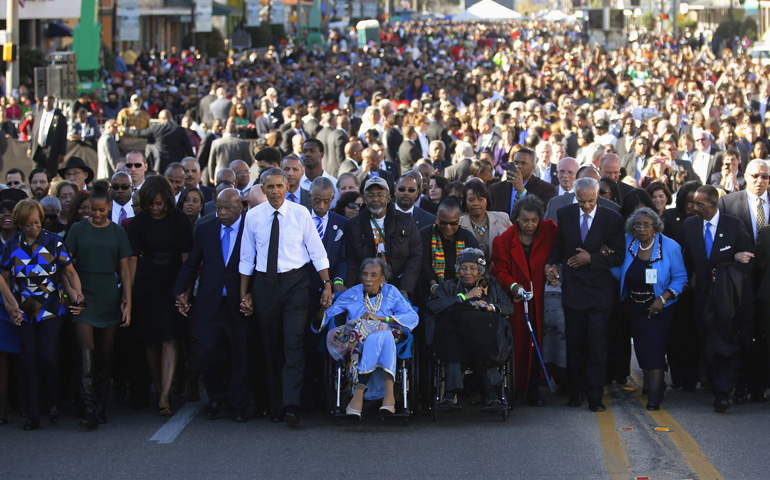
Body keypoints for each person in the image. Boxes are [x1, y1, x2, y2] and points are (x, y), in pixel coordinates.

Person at [238, 168, 333, 427]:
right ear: (263, 188)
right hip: (264, 285)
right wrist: (244, 293)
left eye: (280, 186)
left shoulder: (300, 214)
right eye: (270, 187)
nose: (276, 191)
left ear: (288, 188)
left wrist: (327, 284)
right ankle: (275, 403)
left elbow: (317, 251)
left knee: (293, 342)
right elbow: (246, 258)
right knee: (270, 346)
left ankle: (292, 405)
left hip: (296, 284)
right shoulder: (253, 217)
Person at [2, 199, 83, 430]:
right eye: (28, 224)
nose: (34, 228)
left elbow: (69, 272)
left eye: (37, 222)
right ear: (20, 224)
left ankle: (54, 401)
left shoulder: (54, 242)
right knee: (28, 360)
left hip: (51, 309)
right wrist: (10, 305)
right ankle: (34, 414)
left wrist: (77, 295)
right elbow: (5, 279)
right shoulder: (10, 246)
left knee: (48, 357)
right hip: (23, 311)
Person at [545, 177, 624, 412]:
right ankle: (575, 391)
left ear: (598, 196)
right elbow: (559, 247)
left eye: (590, 201)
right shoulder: (566, 214)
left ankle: (595, 396)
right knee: (575, 343)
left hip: (600, 291)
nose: (586, 206)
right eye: (581, 202)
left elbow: (618, 255)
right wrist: (550, 265)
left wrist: (592, 258)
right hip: (574, 289)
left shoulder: (612, 218)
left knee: (597, 345)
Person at [174, 189, 251, 423]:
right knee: (208, 352)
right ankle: (216, 397)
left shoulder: (251, 230)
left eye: (228, 208)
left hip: (238, 304)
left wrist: (252, 295)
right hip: (210, 302)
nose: (222, 213)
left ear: (241, 207)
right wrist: (180, 289)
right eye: (218, 208)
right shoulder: (206, 229)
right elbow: (192, 263)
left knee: (239, 354)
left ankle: (238, 404)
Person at [65, 184, 133, 428]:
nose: (96, 214)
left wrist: (128, 302)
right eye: (92, 210)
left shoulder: (117, 232)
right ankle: (89, 406)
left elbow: (125, 271)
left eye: (102, 210)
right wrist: (72, 292)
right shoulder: (77, 229)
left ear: (110, 207)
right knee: (86, 353)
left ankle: (102, 403)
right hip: (84, 296)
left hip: (108, 296)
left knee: (105, 356)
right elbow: (65, 264)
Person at [127, 176, 193, 417]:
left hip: (173, 282)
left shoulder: (180, 221)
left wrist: (184, 289)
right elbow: (133, 259)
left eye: (160, 203)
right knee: (151, 341)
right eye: (151, 204)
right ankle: (159, 388)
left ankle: (164, 395)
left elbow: (187, 258)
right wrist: (131, 291)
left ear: (167, 200)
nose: (155, 208)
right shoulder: (138, 223)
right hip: (147, 283)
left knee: (171, 339)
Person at [682, 185, 752, 412]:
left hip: (728, 297)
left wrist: (729, 263)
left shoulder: (734, 225)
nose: (694, 208)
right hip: (701, 296)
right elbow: (687, 260)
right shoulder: (690, 226)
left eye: (699, 204)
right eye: (693, 203)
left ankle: (724, 392)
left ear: (713, 205)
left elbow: (747, 258)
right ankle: (714, 384)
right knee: (707, 339)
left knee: (726, 341)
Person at [322, 257, 418, 417]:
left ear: (382, 279)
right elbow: (328, 314)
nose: (368, 279)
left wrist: (382, 319)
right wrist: (322, 310)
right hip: (357, 339)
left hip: (388, 334)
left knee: (383, 333)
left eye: (373, 275)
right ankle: (389, 397)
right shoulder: (352, 293)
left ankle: (357, 396)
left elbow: (411, 316)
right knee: (380, 335)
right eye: (365, 274)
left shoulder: (391, 292)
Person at [612, 208, 687, 410]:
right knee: (642, 348)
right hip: (634, 306)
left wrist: (662, 299)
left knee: (654, 348)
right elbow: (616, 267)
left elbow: (680, 278)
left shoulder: (670, 247)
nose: (642, 229)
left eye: (647, 225)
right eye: (638, 225)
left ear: (655, 226)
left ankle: (655, 395)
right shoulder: (628, 242)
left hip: (660, 307)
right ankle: (652, 384)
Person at [491, 195, 557, 406]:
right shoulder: (502, 241)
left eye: (534, 220)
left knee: (542, 341)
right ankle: (518, 387)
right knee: (520, 344)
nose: (530, 225)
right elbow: (499, 270)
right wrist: (513, 286)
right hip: (518, 300)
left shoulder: (550, 231)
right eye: (525, 220)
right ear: (516, 219)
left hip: (544, 298)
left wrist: (554, 269)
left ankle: (536, 388)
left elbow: (559, 253)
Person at [427, 248, 513, 407]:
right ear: (458, 269)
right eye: (463, 268)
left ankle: (492, 394)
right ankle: (449, 395)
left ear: (480, 271)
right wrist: (464, 297)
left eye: (473, 268)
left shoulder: (491, 285)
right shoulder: (448, 286)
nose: (468, 272)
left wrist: (490, 307)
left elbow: (508, 307)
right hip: (457, 340)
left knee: (484, 345)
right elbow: (434, 306)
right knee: (451, 345)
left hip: (483, 341)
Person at [344, 177, 422, 298]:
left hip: (398, 286)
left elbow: (415, 257)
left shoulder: (405, 221)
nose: (375, 199)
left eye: (380, 195)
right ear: (364, 199)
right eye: (371, 195)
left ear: (388, 198)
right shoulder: (354, 225)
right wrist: (349, 289)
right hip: (366, 287)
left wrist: (405, 288)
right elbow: (351, 259)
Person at [489, 148, 557, 218]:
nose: (519, 166)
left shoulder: (546, 189)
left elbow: (541, 214)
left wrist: (521, 191)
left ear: (533, 167)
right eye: (516, 163)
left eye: (523, 163)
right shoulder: (496, 189)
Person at [123, 109, 194, 173]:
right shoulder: (180, 130)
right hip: (176, 163)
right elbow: (188, 148)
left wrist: (124, 130)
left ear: (161, 119)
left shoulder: (156, 129)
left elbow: (140, 133)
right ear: (170, 117)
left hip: (160, 164)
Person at [460, 178, 511, 259]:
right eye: (471, 200)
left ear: (487, 201)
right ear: (465, 202)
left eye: (480, 199)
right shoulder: (459, 223)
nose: (475, 203)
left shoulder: (503, 219)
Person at [28, 95, 68, 177]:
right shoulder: (39, 114)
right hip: (38, 148)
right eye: (45, 101)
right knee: (36, 172)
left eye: (49, 101)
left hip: (52, 150)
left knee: (50, 174)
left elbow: (63, 136)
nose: (47, 103)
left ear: (53, 102)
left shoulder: (60, 117)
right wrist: (30, 147)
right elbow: (34, 133)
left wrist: (62, 153)